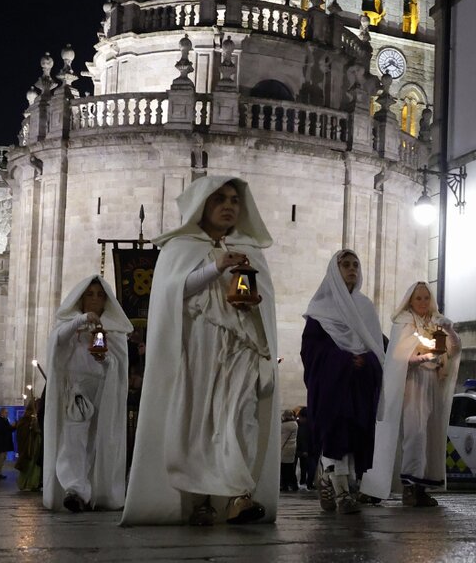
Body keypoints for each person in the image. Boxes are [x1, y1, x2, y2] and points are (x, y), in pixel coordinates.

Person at [122, 176, 280, 527]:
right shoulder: (180, 248)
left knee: (241, 416)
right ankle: (202, 499)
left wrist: (254, 302)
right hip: (198, 347)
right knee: (198, 420)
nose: (228, 206)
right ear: (202, 205)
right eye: (219, 199)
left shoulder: (250, 251)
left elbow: (263, 305)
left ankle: (240, 495)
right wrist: (217, 267)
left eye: (235, 200)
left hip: (242, 349)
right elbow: (173, 292)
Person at [361, 281, 461, 507]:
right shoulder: (404, 322)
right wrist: (420, 359)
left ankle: (422, 487)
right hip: (411, 382)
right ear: (410, 301)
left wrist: (450, 330)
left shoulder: (437, 321)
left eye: (427, 298)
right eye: (419, 298)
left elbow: (454, 350)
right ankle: (408, 487)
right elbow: (397, 356)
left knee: (429, 435)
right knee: (414, 433)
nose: (423, 302)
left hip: (432, 383)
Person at [301, 249, 385, 515]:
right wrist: (343, 360)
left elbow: (377, 345)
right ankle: (343, 494)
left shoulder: (365, 307)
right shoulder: (321, 308)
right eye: (345, 264)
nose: (352, 269)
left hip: (358, 385)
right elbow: (312, 350)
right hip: (333, 385)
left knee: (351, 440)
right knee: (336, 436)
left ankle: (329, 479)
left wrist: (366, 361)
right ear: (334, 270)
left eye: (355, 265)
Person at [42, 275, 132, 511]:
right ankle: (75, 489)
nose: (95, 299)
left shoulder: (115, 329)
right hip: (76, 390)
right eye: (89, 294)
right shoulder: (69, 324)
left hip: (104, 390)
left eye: (100, 295)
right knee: (74, 439)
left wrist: (105, 360)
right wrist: (80, 321)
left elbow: (118, 365)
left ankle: (95, 490)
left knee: (97, 442)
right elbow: (57, 343)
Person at [0, 407, 16, 480]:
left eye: (7, 413)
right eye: (6, 412)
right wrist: (11, 426)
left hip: (4, 443)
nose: (7, 414)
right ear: (2, 413)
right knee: (1, 458)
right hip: (0, 443)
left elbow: (9, 429)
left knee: (3, 458)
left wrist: (14, 427)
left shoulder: (5, 420)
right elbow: (1, 430)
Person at [296, 406, 316, 491]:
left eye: (300, 417)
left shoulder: (304, 426)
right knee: (308, 467)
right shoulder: (312, 424)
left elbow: (303, 438)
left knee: (306, 467)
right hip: (311, 450)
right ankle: (308, 483)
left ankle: (306, 483)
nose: (299, 419)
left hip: (306, 451)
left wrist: (304, 450)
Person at [280, 410, 299, 492]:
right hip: (292, 448)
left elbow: (282, 439)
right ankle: (293, 485)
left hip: (285, 449)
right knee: (290, 468)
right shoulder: (294, 424)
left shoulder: (286, 425)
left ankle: (285, 485)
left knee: (284, 468)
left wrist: (278, 449)